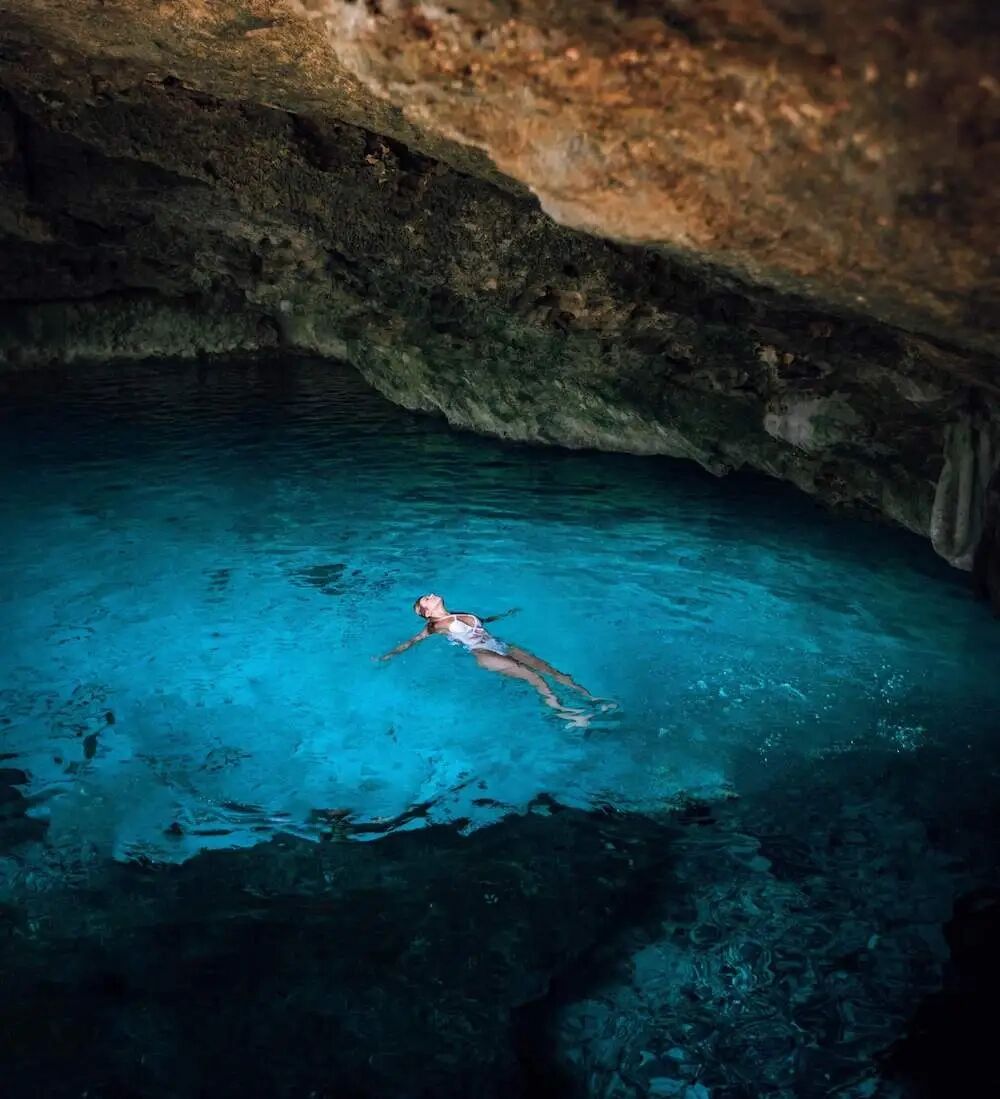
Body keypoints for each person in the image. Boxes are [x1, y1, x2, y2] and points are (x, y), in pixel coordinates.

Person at [377, 593, 606, 726]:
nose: (429, 595)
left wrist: (507, 614)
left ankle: (592, 699)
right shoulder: (435, 625)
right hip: (483, 653)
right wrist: (388, 655)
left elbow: (485, 620)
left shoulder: (461, 612)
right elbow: (412, 641)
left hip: (499, 645)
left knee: (554, 672)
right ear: (426, 612)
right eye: (424, 600)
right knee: (533, 677)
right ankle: (563, 713)